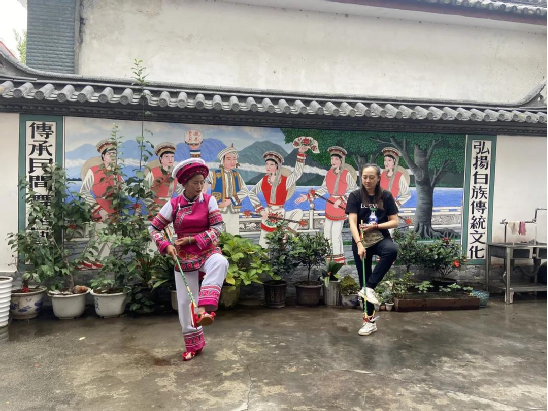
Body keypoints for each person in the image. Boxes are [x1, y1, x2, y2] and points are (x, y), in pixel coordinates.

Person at [149, 158, 229, 362]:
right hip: (184, 257)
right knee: (185, 302)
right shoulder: (174, 204)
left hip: (207, 250)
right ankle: (193, 346)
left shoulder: (209, 201)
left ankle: (204, 308)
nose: (200, 186)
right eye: (195, 182)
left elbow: (218, 228)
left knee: (220, 262)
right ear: (184, 183)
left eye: (202, 182)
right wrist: (166, 245)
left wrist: (193, 239)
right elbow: (154, 228)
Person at [346, 163, 399, 337]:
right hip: (361, 240)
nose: (367, 180)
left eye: (371, 177)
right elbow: (352, 222)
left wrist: (376, 226)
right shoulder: (355, 196)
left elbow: (394, 221)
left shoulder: (386, 195)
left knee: (391, 250)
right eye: (364, 177)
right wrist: (359, 244)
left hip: (380, 237)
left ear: (378, 178)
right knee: (364, 277)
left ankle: (369, 287)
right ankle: (369, 322)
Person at [296, 146, 357, 264]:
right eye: (332, 158)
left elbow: (354, 190)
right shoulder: (329, 173)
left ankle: (338, 260)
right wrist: (307, 197)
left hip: (340, 207)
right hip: (330, 206)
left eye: (336, 159)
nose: (333, 161)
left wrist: (341, 199)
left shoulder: (346, 174)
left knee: (335, 233)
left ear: (341, 161)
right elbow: (323, 189)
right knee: (327, 233)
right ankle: (328, 258)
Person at [249, 148, 309, 248]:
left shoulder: (285, 181)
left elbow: (297, 173)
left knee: (299, 212)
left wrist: (301, 154)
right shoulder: (264, 180)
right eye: (267, 164)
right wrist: (260, 210)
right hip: (267, 214)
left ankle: (286, 235)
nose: (268, 166)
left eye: (271, 164)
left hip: (280, 213)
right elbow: (251, 193)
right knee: (263, 245)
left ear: (277, 166)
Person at [79, 139, 124, 270]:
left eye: (115, 154)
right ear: (103, 156)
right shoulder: (94, 170)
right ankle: (86, 264)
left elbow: (125, 190)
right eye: (110, 154)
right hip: (100, 208)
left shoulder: (117, 173)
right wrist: (99, 209)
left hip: (114, 208)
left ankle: (100, 264)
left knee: (111, 238)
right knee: (98, 239)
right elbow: (84, 191)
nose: (113, 157)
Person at [206, 145, 256, 235]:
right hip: (219, 210)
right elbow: (202, 174)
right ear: (223, 161)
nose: (232, 162)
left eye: (234, 159)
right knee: (218, 234)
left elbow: (245, 190)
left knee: (233, 234)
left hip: (234, 210)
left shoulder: (237, 175)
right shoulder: (214, 175)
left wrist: (231, 200)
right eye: (228, 159)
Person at [144, 142, 183, 215]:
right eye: (166, 156)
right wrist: (154, 207)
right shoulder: (153, 172)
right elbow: (144, 192)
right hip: (156, 208)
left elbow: (181, 192)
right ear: (160, 159)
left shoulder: (175, 173)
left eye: (172, 156)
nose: (170, 159)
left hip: (170, 208)